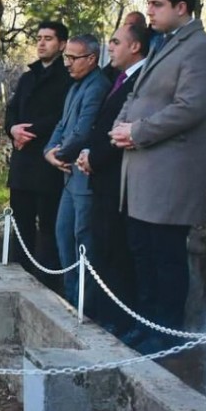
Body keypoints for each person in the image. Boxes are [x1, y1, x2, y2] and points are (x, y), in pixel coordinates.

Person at [109, 0, 206, 354]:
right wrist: (120, 126)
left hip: (169, 175)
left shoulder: (200, 48)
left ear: (181, 7)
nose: (149, 11)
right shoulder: (162, 44)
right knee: (142, 254)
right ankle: (145, 324)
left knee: (166, 258)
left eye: (157, 4)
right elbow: (135, 93)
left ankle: (167, 335)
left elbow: (191, 107)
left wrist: (137, 131)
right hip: (139, 173)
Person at [75, 18, 150, 334]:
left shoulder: (139, 81)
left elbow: (121, 129)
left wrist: (94, 156)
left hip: (118, 178)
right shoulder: (118, 80)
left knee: (116, 254)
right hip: (100, 175)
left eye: (116, 42)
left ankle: (119, 320)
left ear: (135, 46)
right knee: (103, 249)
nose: (111, 47)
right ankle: (107, 315)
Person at [4, 22, 72, 291]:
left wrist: (27, 132)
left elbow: (60, 118)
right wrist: (12, 129)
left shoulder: (67, 79)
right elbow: (11, 110)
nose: (42, 43)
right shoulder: (27, 77)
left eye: (49, 39)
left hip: (47, 163)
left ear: (62, 44)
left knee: (48, 227)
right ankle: (17, 276)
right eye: (39, 38)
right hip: (22, 163)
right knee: (20, 223)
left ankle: (46, 284)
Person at [44, 33, 109, 307]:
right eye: (66, 57)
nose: (67, 63)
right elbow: (62, 124)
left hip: (84, 178)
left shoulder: (97, 86)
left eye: (72, 58)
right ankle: (72, 298)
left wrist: (61, 153)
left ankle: (86, 304)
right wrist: (49, 152)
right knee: (63, 235)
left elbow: (83, 132)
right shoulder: (75, 86)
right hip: (69, 178)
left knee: (83, 241)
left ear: (91, 59)